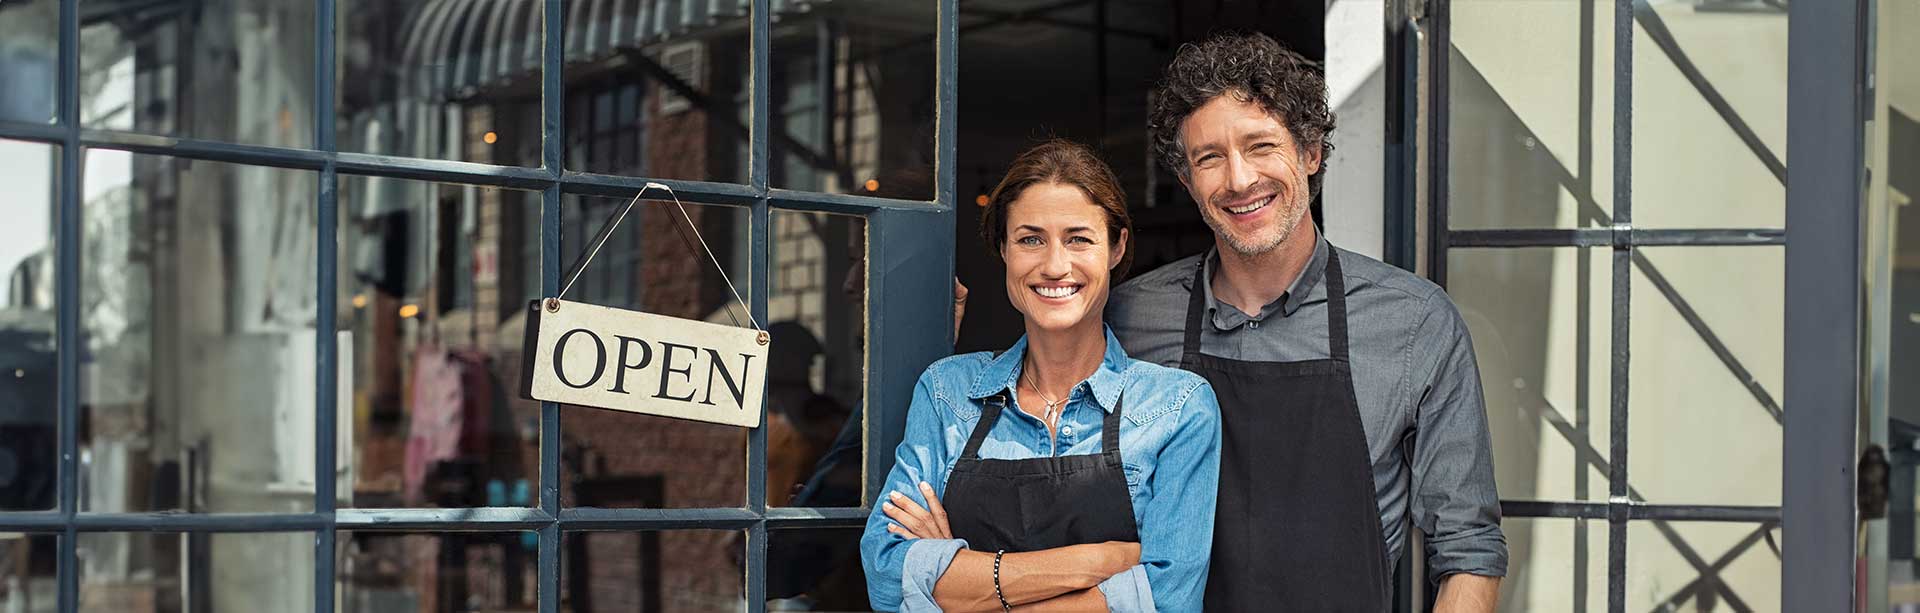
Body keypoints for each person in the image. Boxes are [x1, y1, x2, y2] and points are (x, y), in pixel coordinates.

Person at [1107, 32, 1508, 611]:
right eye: (1209, 158)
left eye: (1261, 145)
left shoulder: (1414, 323)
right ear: (1190, 181)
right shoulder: (1131, 317)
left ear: (1311, 152)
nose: (1239, 180)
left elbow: (1469, 551)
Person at [861, 140, 1222, 612]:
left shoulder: (1176, 407)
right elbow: (887, 576)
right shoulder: (947, 392)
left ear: (1116, 247)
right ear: (1004, 250)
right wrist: (1095, 563)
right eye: (1030, 239)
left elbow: (1169, 600)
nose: (1055, 265)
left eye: (1079, 239)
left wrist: (960, 584)